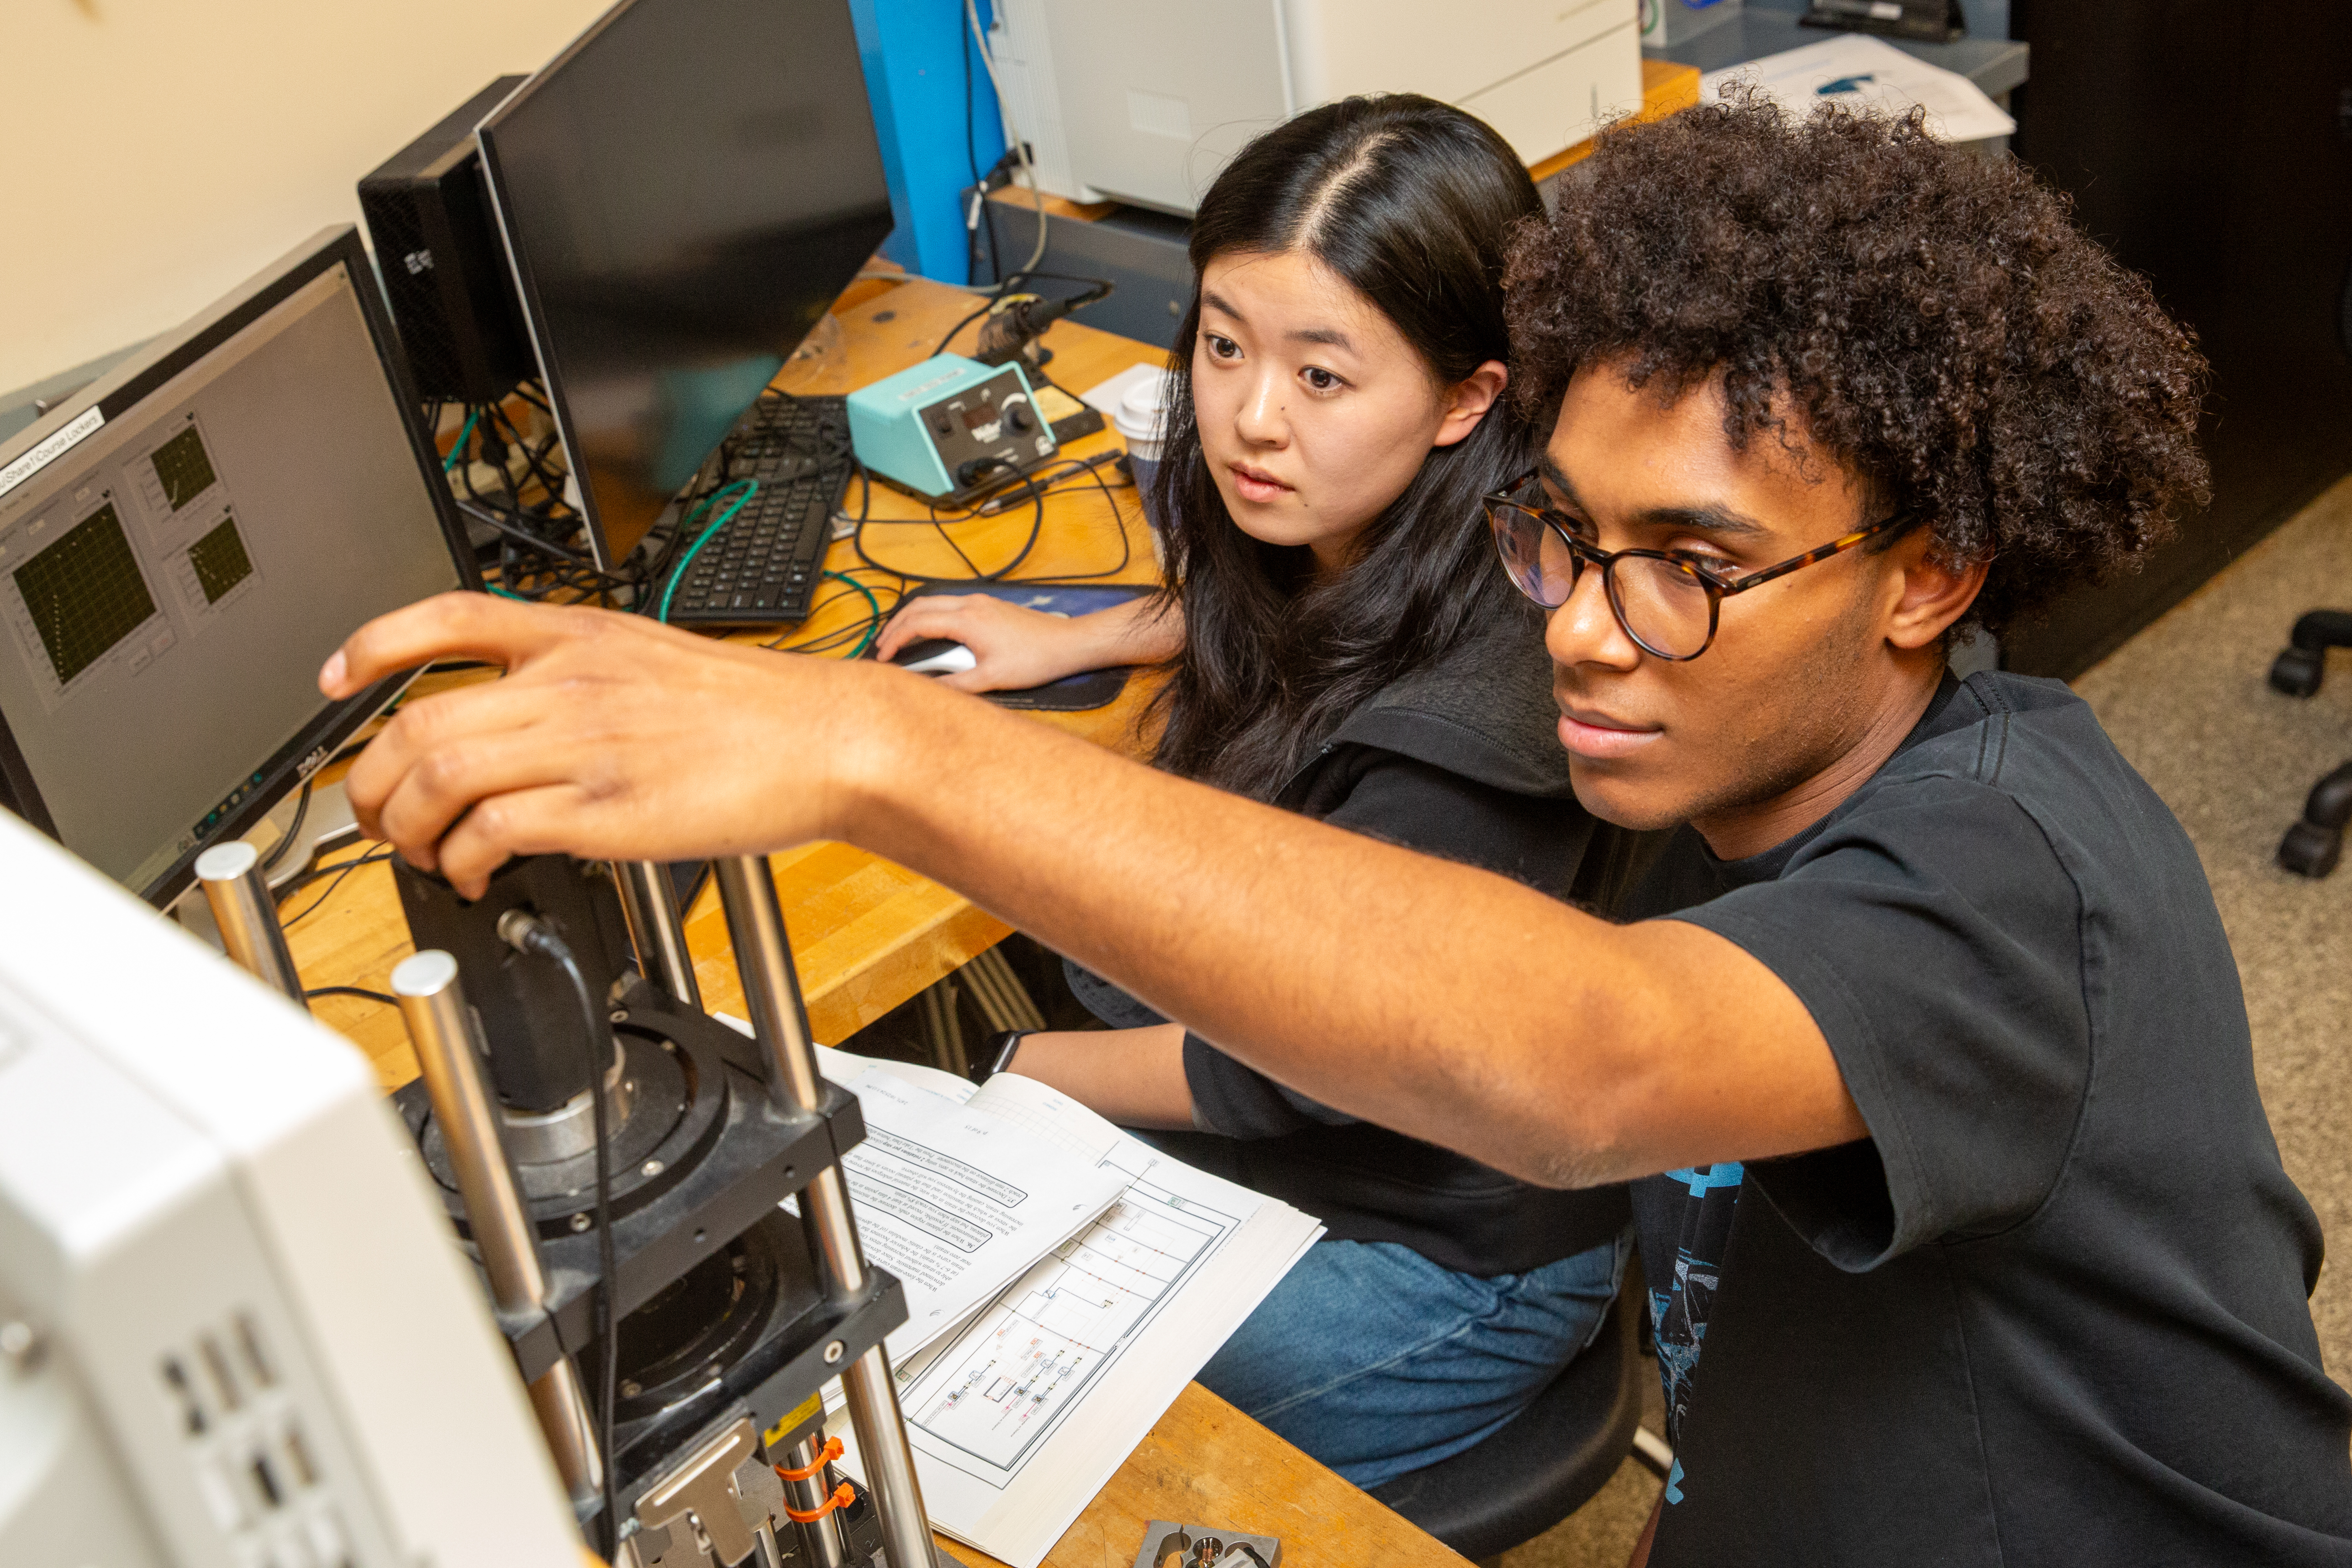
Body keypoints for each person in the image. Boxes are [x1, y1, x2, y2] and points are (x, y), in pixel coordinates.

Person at [322, 97, 2352, 1564]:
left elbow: (1590, 1060)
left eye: (1689, 566)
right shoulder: (1735, 736)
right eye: (1564, 533)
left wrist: (886, 749)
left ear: (1926, 578)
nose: (1578, 629)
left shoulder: (2016, 858)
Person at [894, 94, 1643, 1488]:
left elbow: (1281, 1072)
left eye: (1321, 376)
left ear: (1469, 397)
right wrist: (1090, 634)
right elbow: (1326, 625)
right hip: (1300, 1117)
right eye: (1224, 344)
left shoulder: (1477, 730)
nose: (1248, 417)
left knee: (926, 1382)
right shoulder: (1401, 528)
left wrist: (988, 1086)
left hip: (1436, 1258)